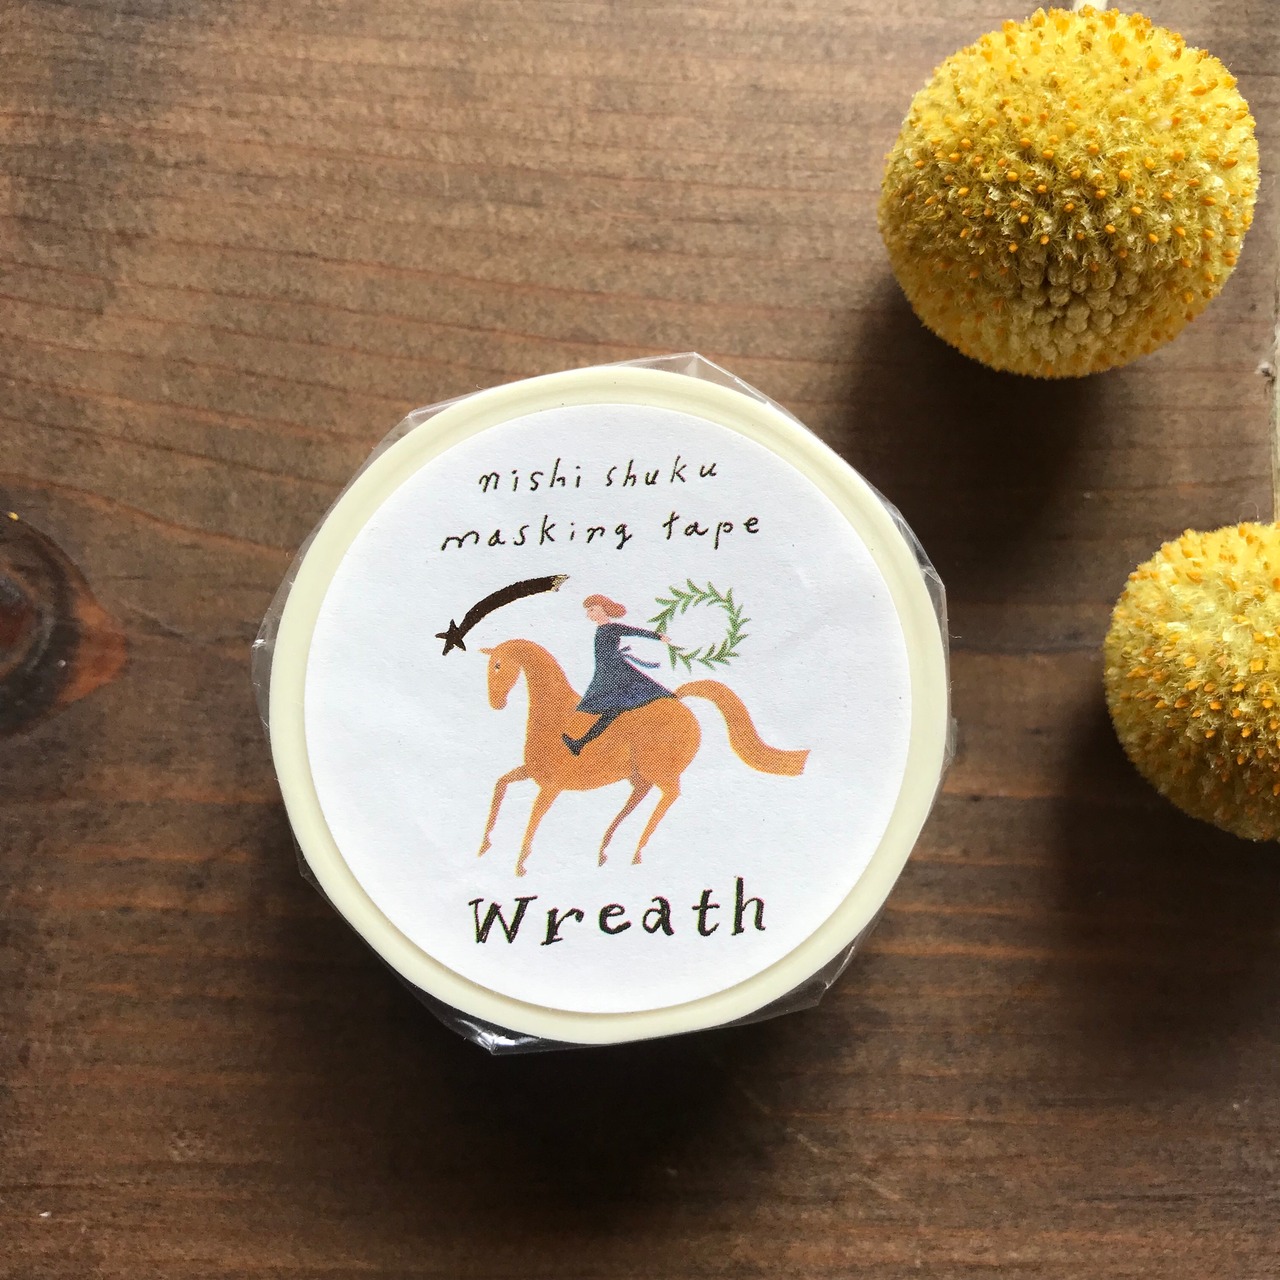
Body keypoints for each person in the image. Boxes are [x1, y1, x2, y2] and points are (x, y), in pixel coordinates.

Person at [562, 594, 676, 755]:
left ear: (602, 609)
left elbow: (635, 631)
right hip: (606, 673)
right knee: (611, 711)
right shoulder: (601, 629)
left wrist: (658, 636)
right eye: (588, 611)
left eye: (591, 609)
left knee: (615, 706)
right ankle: (580, 744)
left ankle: (580, 743)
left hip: (616, 673)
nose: (588, 614)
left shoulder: (611, 628)